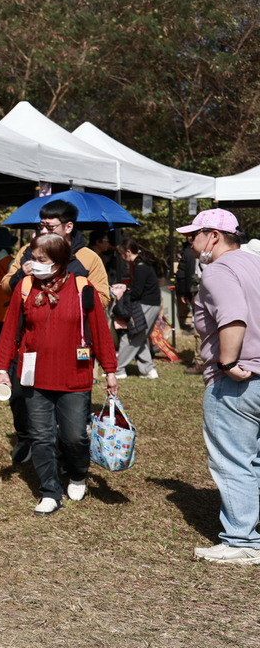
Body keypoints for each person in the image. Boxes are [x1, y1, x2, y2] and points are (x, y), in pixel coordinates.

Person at [0, 232, 118, 515]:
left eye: (41, 260)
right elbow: (10, 330)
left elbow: (100, 331)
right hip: (34, 377)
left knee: (74, 436)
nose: (33, 264)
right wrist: (1, 370)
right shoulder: (25, 287)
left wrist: (110, 371)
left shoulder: (82, 288)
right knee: (41, 436)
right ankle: (49, 491)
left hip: (75, 375)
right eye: (32, 258)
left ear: (60, 261)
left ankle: (77, 473)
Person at [177, 209, 260, 564]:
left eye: (192, 236)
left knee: (233, 458)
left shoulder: (218, 271)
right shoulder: (255, 264)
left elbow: (233, 316)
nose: (190, 245)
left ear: (212, 235)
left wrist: (226, 362)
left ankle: (241, 539)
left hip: (237, 380)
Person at [0, 199, 106, 464]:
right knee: (22, 396)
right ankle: (28, 439)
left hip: (73, 343)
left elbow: (102, 297)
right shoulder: (28, 250)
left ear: (68, 227)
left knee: (70, 414)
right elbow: (4, 284)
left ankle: (70, 456)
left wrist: (72, 294)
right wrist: (20, 277)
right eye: (41, 226)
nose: (44, 231)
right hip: (30, 339)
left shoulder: (88, 257)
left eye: (51, 226)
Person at [113, 238, 162, 379]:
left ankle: (119, 369)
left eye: (122, 254)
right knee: (140, 336)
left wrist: (124, 291)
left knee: (132, 335)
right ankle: (148, 370)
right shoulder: (142, 264)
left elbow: (137, 292)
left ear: (128, 252)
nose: (122, 257)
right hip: (151, 304)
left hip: (145, 305)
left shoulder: (140, 267)